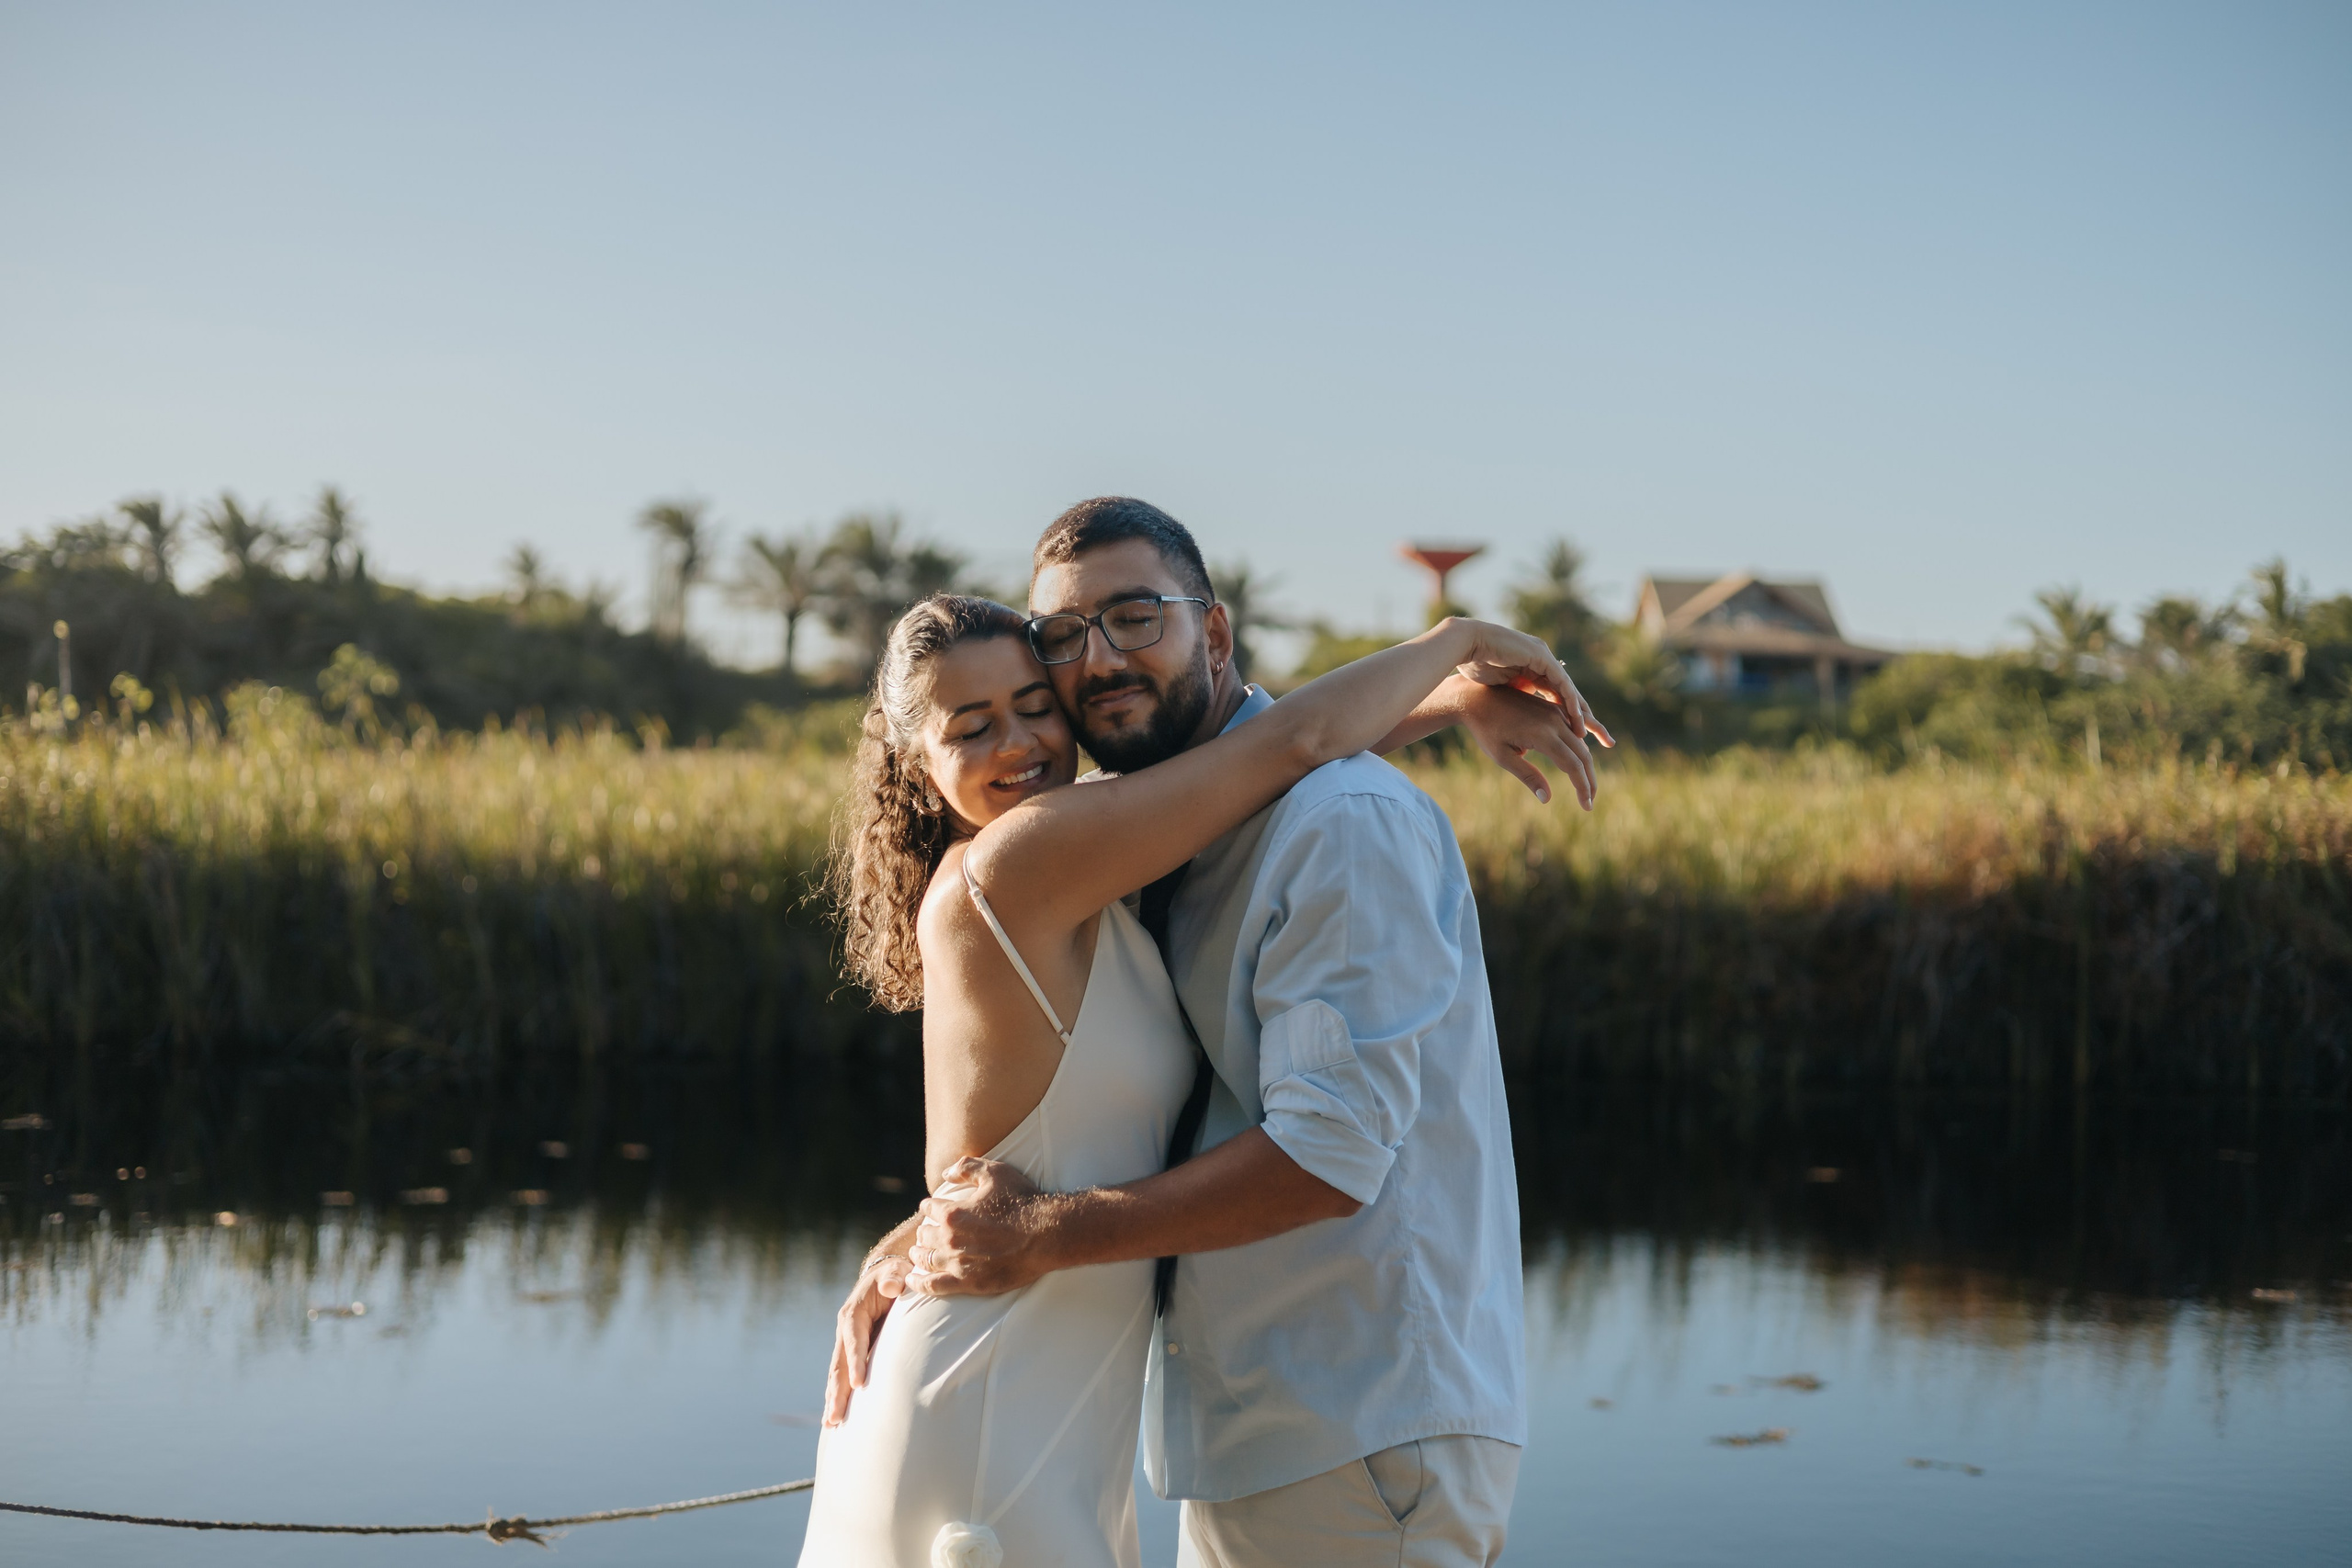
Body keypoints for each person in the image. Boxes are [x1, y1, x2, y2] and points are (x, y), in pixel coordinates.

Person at [820, 499, 1609, 1568]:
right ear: (916, 763)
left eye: (1134, 617)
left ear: (1216, 631)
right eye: (1065, 640)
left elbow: (1278, 760)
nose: (1094, 665)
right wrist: (1450, 659)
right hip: (1097, 1397)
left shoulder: (1312, 822)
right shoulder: (1046, 856)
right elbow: (1275, 747)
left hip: (1348, 1421)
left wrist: (1450, 679)